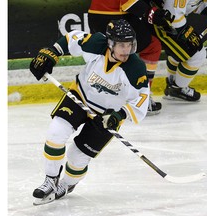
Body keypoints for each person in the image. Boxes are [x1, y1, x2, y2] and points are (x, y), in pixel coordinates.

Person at [29, 19, 150, 205]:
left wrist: (119, 115)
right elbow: (71, 38)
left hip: (107, 116)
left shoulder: (135, 69)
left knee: (77, 157)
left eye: (129, 45)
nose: (126, 50)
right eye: (121, 45)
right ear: (110, 43)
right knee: (56, 132)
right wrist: (51, 52)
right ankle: (50, 179)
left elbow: (140, 99)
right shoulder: (95, 44)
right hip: (80, 97)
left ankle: (67, 184)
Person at [88, 0, 175, 115]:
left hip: (96, 15)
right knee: (152, 46)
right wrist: (152, 13)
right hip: (112, 16)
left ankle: (97, 95)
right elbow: (129, 3)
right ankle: (141, 98)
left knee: (108, 53)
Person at [153, 0, 207, 101]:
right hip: (164, 24)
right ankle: (178, 88)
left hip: (172, 19)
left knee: (183, 50)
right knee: (197, 53)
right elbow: (173, 17)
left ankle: (172, 83)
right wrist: (187, 36)